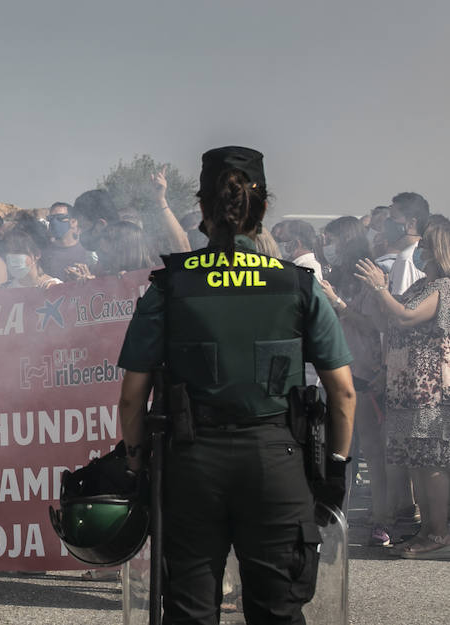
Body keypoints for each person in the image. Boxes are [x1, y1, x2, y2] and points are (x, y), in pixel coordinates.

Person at [115, 147, 356, 623]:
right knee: (278, 609)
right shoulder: (298, 285)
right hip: (276, 462)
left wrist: (137, 464)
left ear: (202, 210)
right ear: (263, 208)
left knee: (189, 609)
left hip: (189, 464)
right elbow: (343, 393)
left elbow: (130, 396)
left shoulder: (169, 286)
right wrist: (334, 469)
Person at [355, 221, 450, 558]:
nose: (419, 251)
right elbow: (390, 321)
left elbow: (408, 318)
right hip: (405, 384)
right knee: (416, 460)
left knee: (431, 460)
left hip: (429, 388)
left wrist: (382, 290)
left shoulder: (444, 285)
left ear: (438, 248)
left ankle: (438, 533)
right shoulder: (423, 283)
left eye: (425, 246)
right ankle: (426, 531)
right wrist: (376, 294)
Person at [320, 216, 396, 546]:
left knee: (373, 454)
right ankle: (340, 520)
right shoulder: (338, 275)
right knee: (342, 456)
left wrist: (337, 303)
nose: (329, 246)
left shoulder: (368, 274)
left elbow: (375, 325)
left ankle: (383, 520)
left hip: (366, 373)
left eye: (333, 239)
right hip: (342, 370)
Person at [385, 192, 432, 296]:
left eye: (393, 218)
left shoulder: (406, 259)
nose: (388, 223)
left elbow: (399, 305)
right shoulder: (425, 251)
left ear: (411, 223)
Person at [41, 201, 93, 280]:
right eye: (50, 219)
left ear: (73, 222)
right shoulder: (43, 254)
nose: (54, 222)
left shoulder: (88, 253)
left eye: (60, 218)